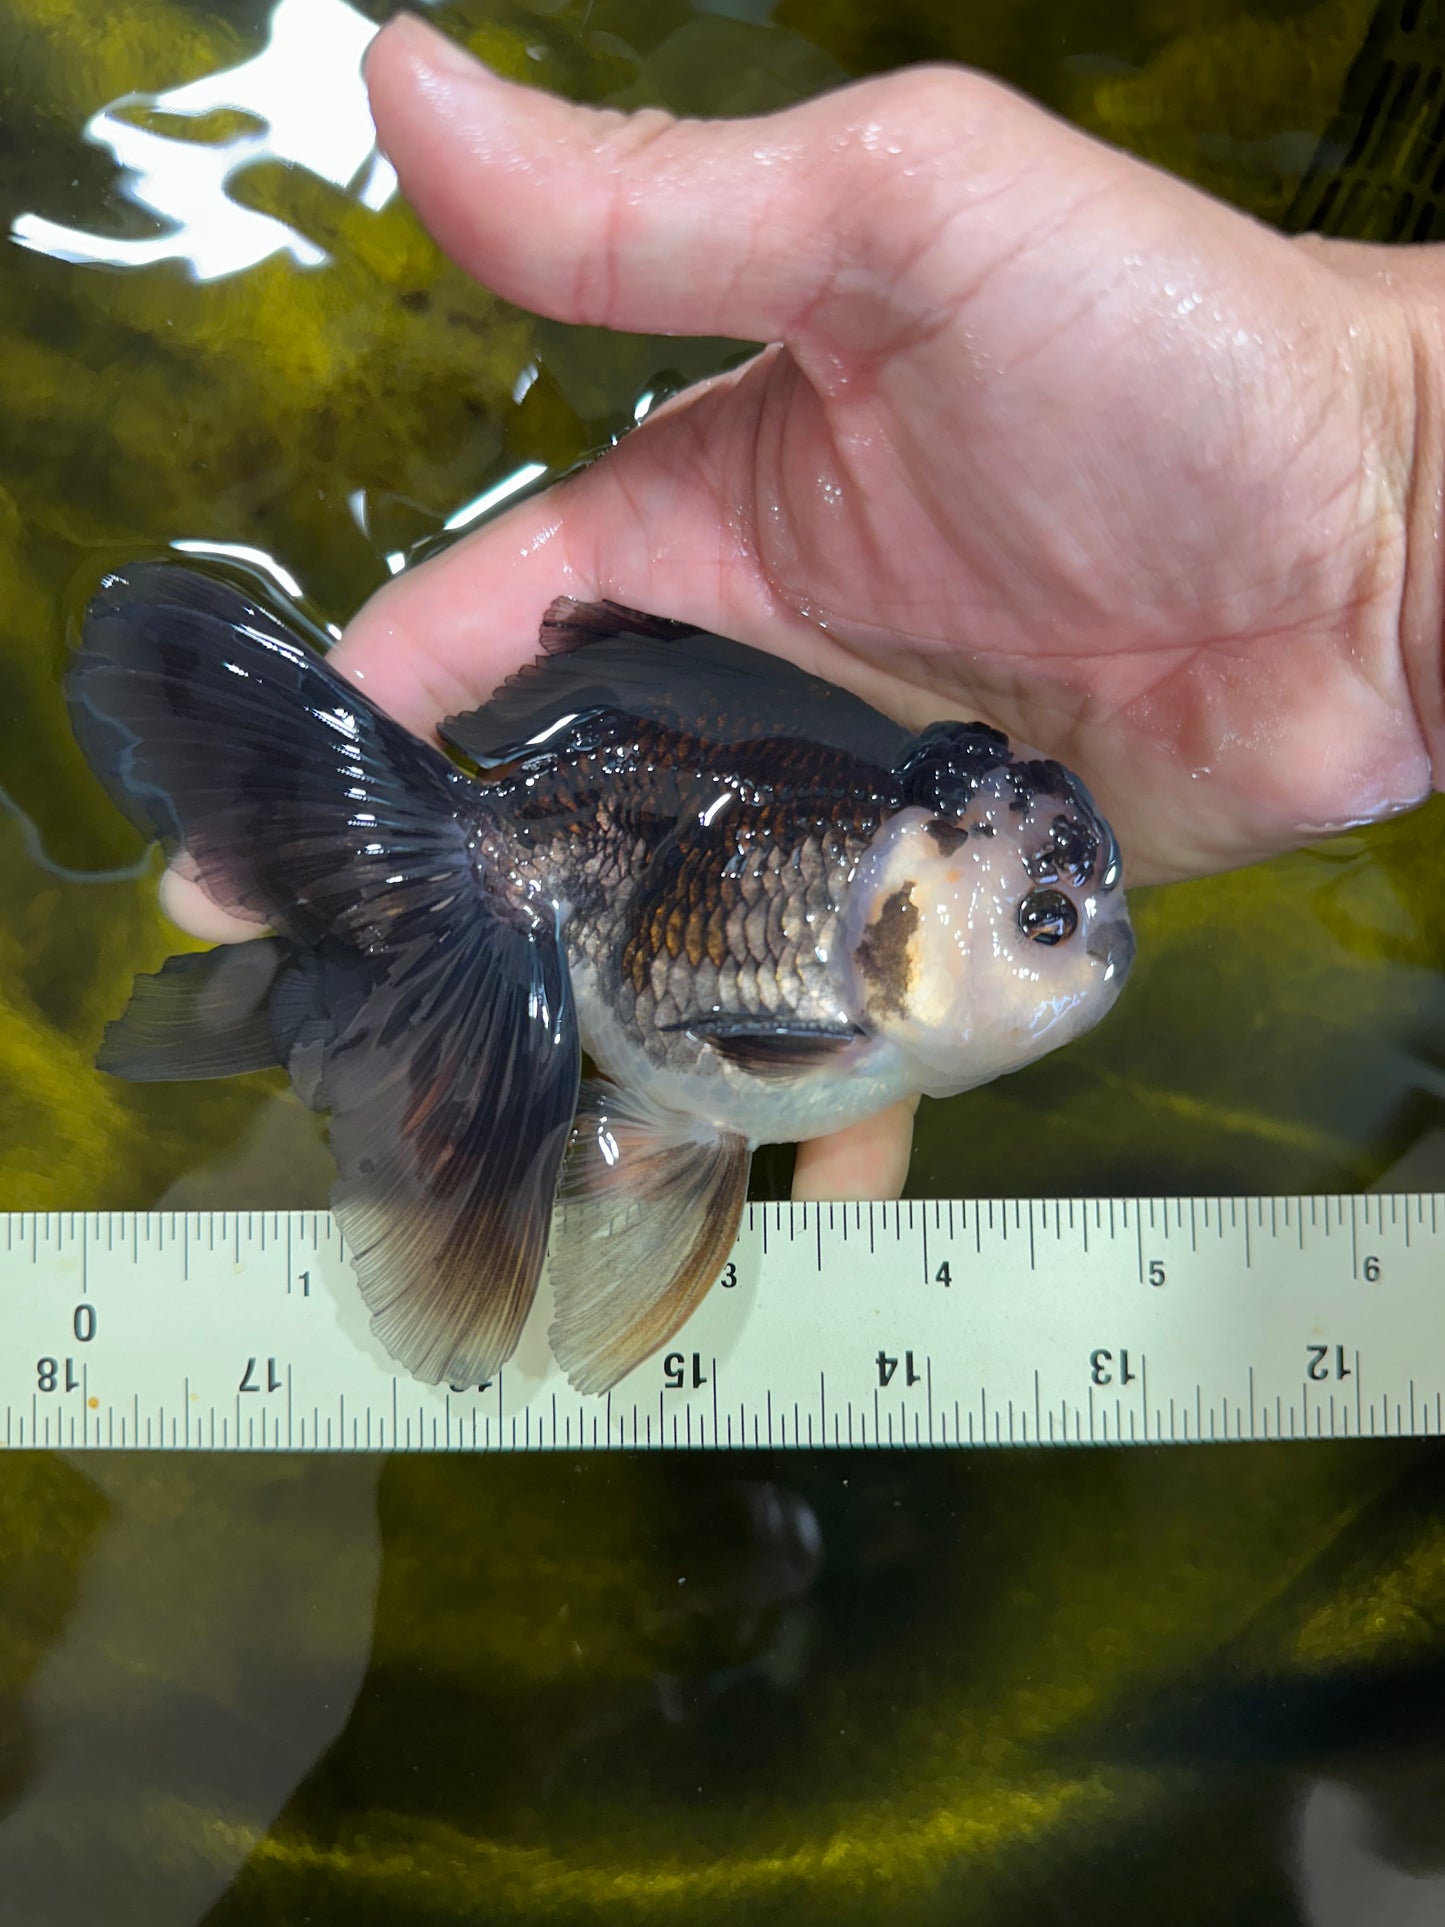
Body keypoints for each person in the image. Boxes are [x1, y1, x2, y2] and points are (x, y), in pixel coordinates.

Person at [170, 10, 1445, 1200]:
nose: (1090, 941)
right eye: (1043, 921)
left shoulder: (869, 946)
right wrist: (1387, 470)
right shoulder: (845, 943)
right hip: (598, 835)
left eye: (1053, 916)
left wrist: (1396, 469)